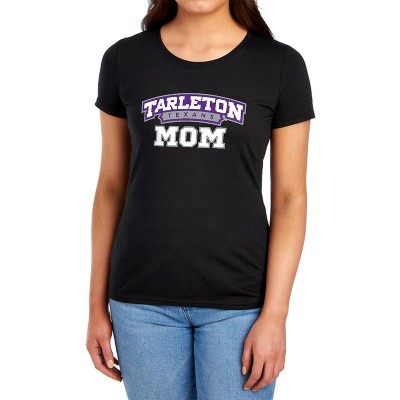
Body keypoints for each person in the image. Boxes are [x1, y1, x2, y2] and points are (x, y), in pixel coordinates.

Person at [86, 0, 315, 398]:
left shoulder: (280, 65)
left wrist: (276, 314)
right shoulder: (125, 60)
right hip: (140, 304)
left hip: (241, 305)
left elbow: (290, 198)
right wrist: (95, 307)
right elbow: (110, 189)